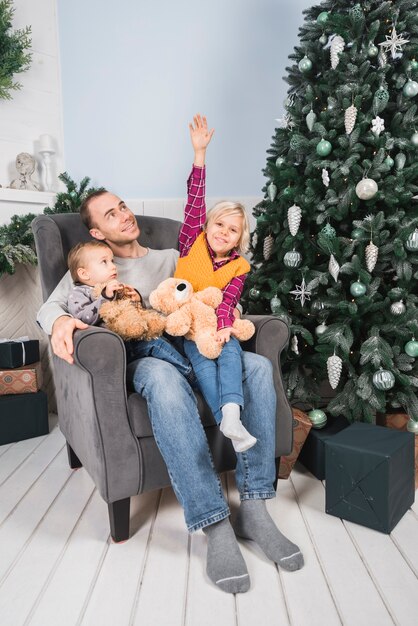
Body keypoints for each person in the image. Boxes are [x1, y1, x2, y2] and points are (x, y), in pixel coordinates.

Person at [37, 114, 304, 594]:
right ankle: (214, 522)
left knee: (260, 367)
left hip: (194, 343)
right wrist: (60, 322)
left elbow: (212, 284)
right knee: (163, 380)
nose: (124, 215)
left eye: (122, 206)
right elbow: (53, 305)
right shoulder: (95, 268)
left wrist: (224, 309)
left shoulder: (173, 255)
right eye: (111, 215)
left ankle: (257, 509)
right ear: (97, 234)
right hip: (144, 359)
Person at [174, 116, 256, 453]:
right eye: (219, 224)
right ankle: (226, 415)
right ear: (208, 225)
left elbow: (229, 300)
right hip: (189, 325)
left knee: (231, 351)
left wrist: (225, 328)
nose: (223, 231)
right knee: (204, 362)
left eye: (232, 229)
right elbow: (195, 199)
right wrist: (200, 154)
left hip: (216, 323)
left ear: (240, 238)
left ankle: (232, 416)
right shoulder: (191, 239)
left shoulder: (240, 266)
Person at [65, 239, 195, 382]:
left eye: (112, 261)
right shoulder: (78, 293)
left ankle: (192, 363)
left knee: (169, 333)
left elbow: (135, 314)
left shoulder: (113, 286)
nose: (113, 267)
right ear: (84, 274)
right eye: (104, 262)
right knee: (155, 344)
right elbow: (83, 318)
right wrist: (105, 297)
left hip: (137, 334)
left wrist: (137, 300)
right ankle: (190, 374)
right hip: (122, 346)